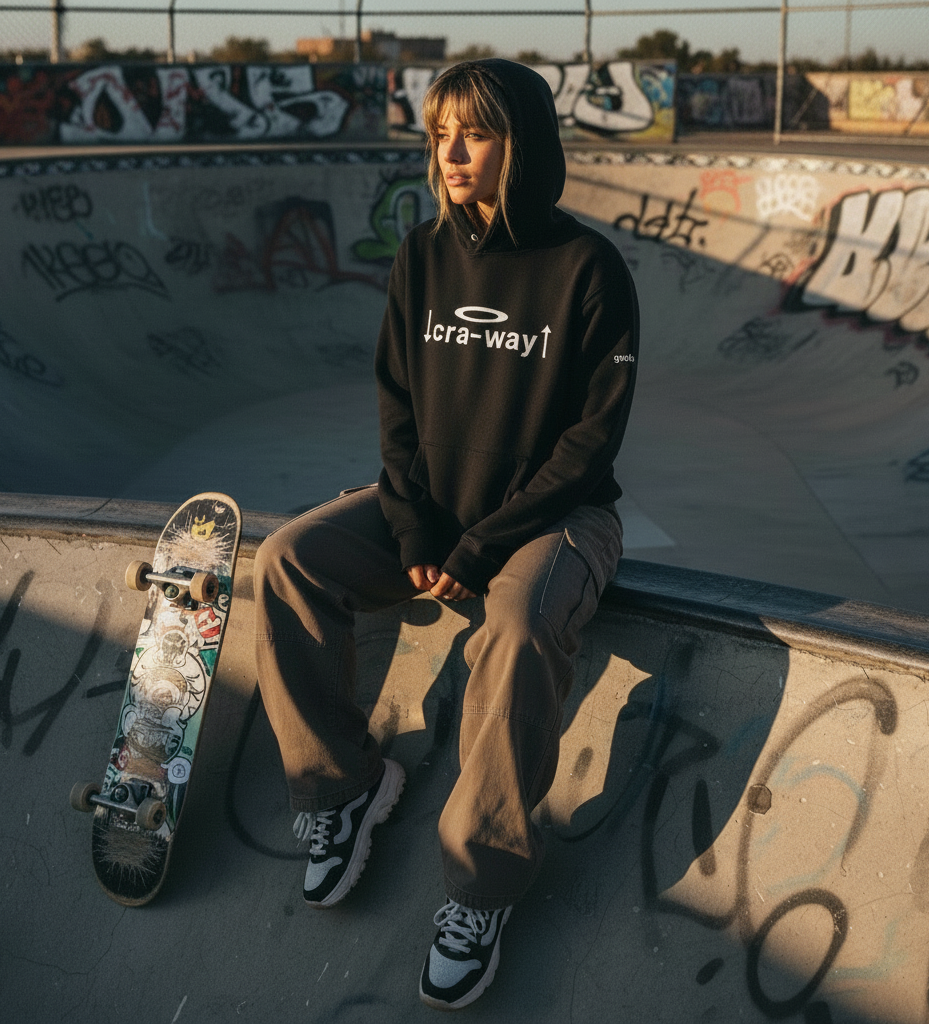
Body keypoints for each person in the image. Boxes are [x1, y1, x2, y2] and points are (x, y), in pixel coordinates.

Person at [254, 58, 639, 1011]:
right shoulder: (422, 257)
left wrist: (477, 549)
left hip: (560, 520)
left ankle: (479, 887)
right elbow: (395, 403)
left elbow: (590, 447)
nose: (452, 152)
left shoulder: (589, 271)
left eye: (474, 132)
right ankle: (342, 787)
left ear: (523, 145)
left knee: (510, 631)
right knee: (287, 560)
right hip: (439, 510)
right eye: (439, 134)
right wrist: (412, 519)